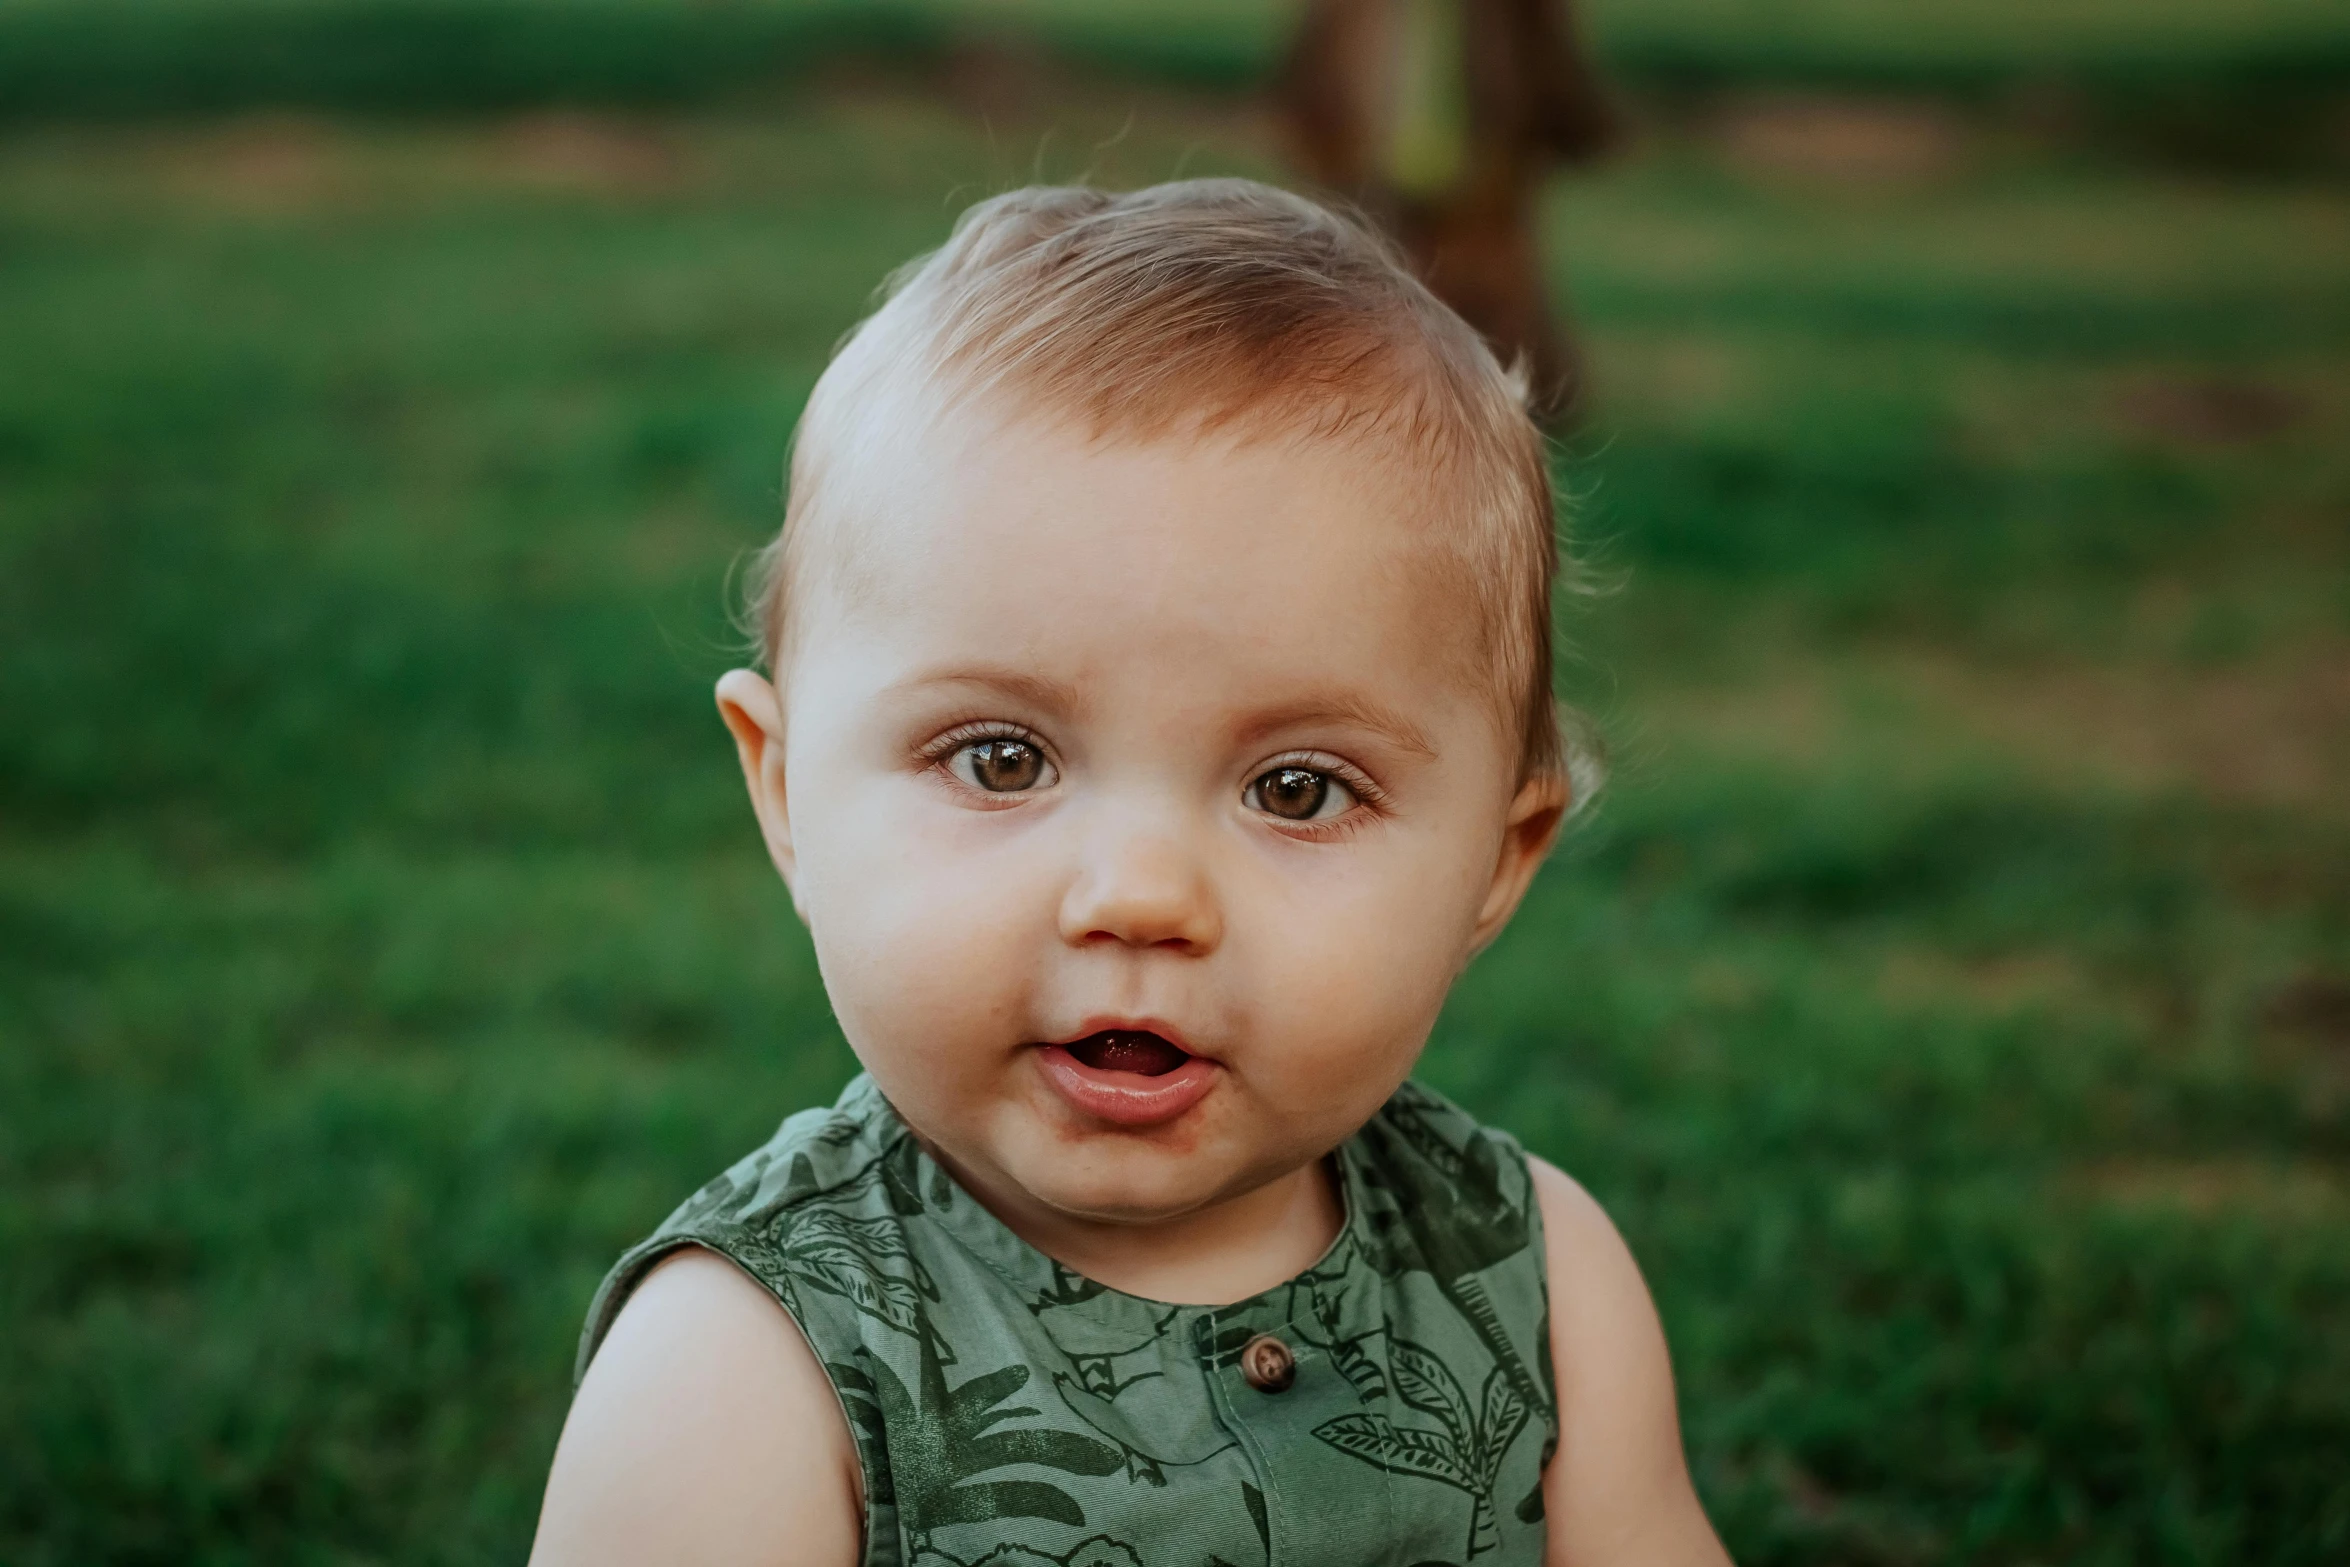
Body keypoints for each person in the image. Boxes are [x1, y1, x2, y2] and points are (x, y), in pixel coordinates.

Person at [528, 180, 1726, 1567]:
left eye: (1296, 788)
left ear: (1492, 863)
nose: (1140, 895)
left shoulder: (1531, 1281)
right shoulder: (747, 1370)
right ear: (787, 792)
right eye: (999, 760)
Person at [1278, 0, 1618, 423]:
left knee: (1503, 353)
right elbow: (1311, 89)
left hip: (1485, 190)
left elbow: (1552, 79)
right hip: (1378, 189)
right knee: (1376, 331)